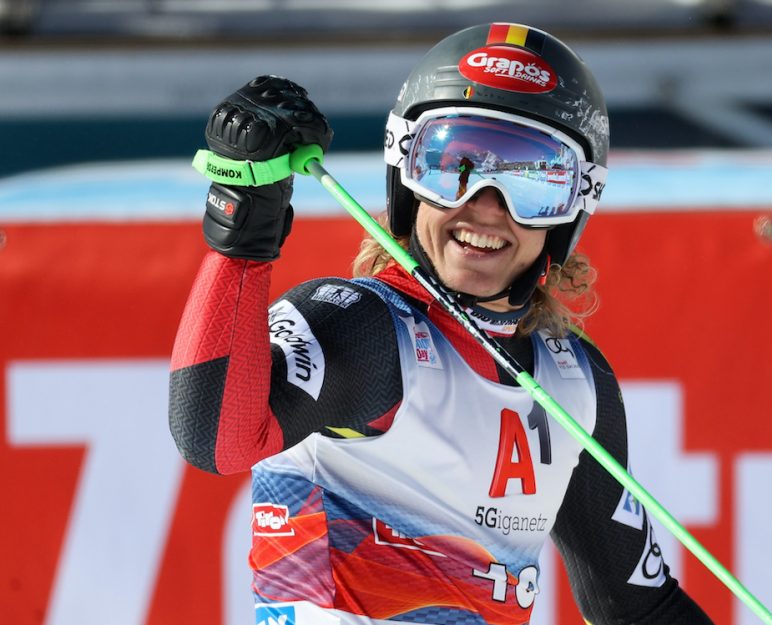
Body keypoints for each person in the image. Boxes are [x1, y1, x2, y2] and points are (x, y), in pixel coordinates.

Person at [169, 22, 715, 625]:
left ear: (571, 211)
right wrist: (243, 228)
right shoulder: (366, 328)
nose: (485, 205)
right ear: (407, 175)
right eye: (454, 162)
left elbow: (638, 608)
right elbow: (214, 439)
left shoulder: (576, 382)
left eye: (534, 180)